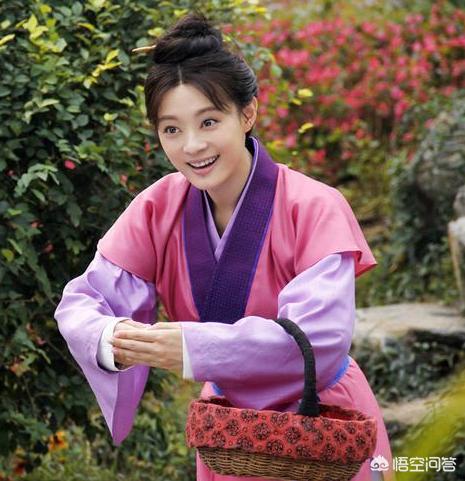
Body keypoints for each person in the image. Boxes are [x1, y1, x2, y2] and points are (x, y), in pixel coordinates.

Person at [55, 12, 394, 481]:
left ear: (247, 113)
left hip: (320, 424)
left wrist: (191, 348)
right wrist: (115, 337)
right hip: (227, 435)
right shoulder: (157, 207)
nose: (192, 146)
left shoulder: (315, 206)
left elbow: (319, 341)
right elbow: (83, 301)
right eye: (171, 130)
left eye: (209, 121)